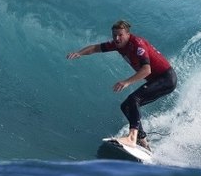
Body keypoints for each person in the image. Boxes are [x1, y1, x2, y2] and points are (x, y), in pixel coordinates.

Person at [67, 20, 177, 149]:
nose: (117, 38)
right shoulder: (117, 44)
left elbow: (146, 70)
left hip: (166, 78)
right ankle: (142, 140)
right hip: (157, 80)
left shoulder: (138, 44)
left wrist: (126, 82)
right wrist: (80, 53)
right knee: (126, 106)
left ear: (128, 35)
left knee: (134, 99)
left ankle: (132, 138)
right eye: (114, 35)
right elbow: (96, 48)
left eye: (120, 35)